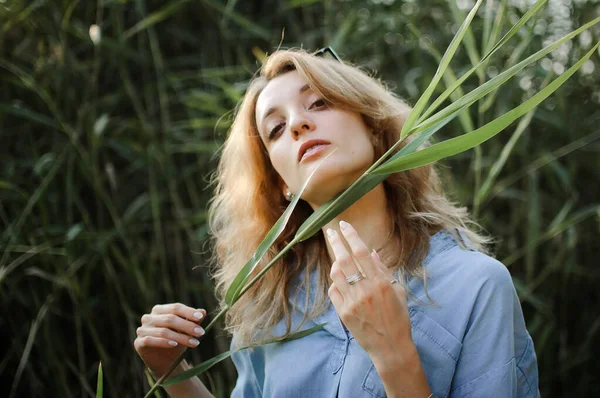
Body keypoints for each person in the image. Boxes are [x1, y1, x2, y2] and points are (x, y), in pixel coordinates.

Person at [134, 48, 540, 397]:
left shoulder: (475, 286)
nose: (296, 124)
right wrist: (172, 373)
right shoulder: (268, 309)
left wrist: (395, 356)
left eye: (320, 103)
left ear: (375, 131)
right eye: (276, 129)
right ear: (282, 186)